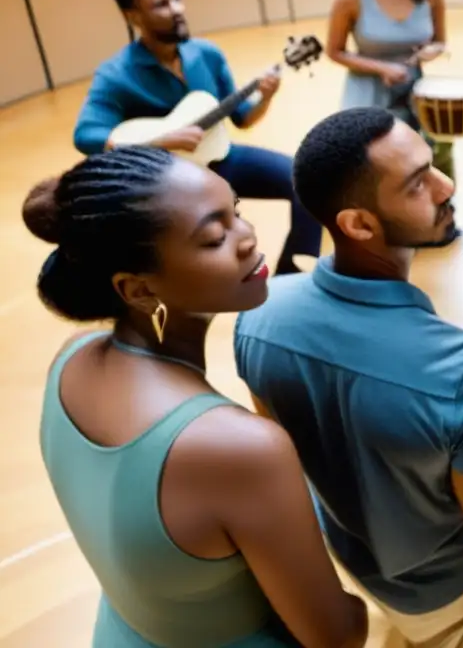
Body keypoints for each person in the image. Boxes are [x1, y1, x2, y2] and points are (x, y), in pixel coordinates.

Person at [22, 147, 367, 648]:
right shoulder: (237, 447)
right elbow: (335, 636)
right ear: (138, 290)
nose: (247, 238)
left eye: (237, 212)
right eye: (213, 237)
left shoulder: (69, 361)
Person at [233, 107, 463, 648]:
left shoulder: (259, 316)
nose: (446, 185)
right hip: (444, 596)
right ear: (359, 224)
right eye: (418, 183)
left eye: (431, 164)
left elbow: (284, 461)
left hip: (345, 560)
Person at [72, 0, 321, 275]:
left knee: (307, 179)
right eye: (162, 4)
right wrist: (160, 141)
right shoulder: (116, 74)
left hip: (219, 160)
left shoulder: (206, 54)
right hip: (166, 183)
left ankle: (292, 272)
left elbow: (242, 118)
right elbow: (86, 135)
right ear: (132, 16)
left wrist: (266, 96)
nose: (177, 9)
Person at [325, 0, 458, 211]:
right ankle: (392, 219)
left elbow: (440, 40)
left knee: (440, 144)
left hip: (414, 88)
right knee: (380, 159)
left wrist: (432, 51)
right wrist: (381, 67)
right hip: (367, 92)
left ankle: (440, 210)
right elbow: (334, 51)